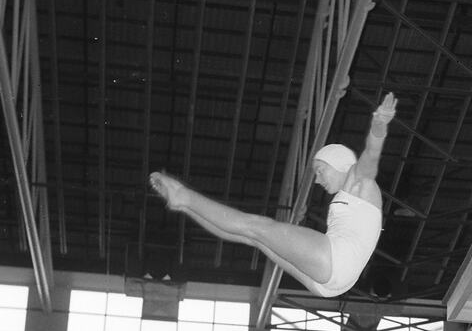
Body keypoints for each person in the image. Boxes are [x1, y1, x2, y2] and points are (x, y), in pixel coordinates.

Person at [149, 92, 398, 299]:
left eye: (320, 171)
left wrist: (379, 124)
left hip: (336, 264)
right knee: (254, 239)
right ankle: (184, 206)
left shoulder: (360, 181)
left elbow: (372, 153)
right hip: (333, 281)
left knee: (258, 226)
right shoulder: (352, 191)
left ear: (340, 162)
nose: (318, 179)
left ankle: (183, 197)